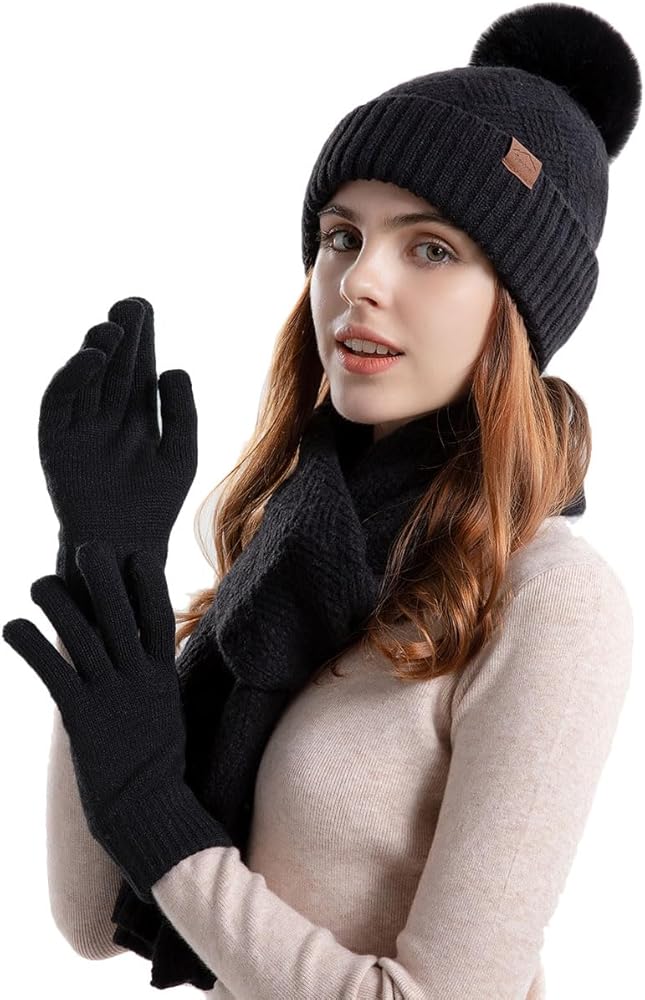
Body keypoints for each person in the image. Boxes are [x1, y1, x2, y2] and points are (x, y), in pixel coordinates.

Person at [24, 3, 642, 998]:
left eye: (430, 248)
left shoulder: (552, 601)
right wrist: (112, 561)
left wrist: (159, 821)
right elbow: (96, 919)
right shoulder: (287, 552)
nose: (359, 282)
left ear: (520, 308)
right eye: (341, 236)